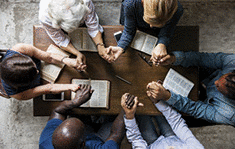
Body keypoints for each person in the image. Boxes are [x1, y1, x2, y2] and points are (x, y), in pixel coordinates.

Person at [147, 51, 235, 126]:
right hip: (207, 73)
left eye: (218, 87)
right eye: (220, 78)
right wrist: (174, 58)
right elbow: (202, 58)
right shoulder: (233, 62)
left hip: (209, 106)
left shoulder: (229, 114)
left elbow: (195, 109)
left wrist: (167, 96)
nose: (215, 82)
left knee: (181, 120)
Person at [39, 84, 125, 149]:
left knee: (76, 111)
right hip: (101, 140)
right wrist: (125, 109)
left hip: (82, 138)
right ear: (83, 144)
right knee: (114, 116)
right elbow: (116, 134)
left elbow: (57, 111)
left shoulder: (46, 142)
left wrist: (75, 102)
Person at [39, 0, 112, 70]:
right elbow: (61, 40)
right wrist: (77, 53)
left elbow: (93, 27)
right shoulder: (44, 17)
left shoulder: (85, 2)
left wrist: (100, 45)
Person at [106, 0, 183, 63]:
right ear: (143, 3)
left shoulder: (177, 9)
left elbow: (168, 30)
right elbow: (129, 31)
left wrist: (162, 44)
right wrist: (121, 47)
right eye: (149, 21)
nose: (151, 27)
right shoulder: (130, 4)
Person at [121, 93, 204, 148]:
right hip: (172, 136)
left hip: (151, 143)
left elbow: (136, 139)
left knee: (141, 108)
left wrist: (129, 115)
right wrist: (157, 101)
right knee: (155, 99)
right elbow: (177, 122)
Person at [0, 43, 81, 100]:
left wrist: (66, 60)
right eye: (34, 74)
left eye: (34, 67)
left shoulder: (20, 49)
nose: (38, 71)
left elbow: (49, 57)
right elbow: (48, 88)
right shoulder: (18, 94)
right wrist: (70, 87)